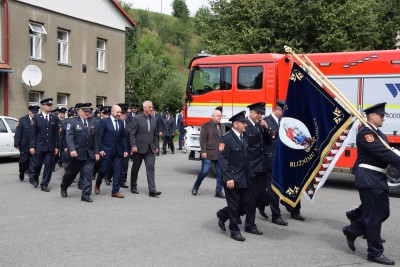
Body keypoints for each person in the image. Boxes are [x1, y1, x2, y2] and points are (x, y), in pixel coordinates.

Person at [342, 102, 400, 265]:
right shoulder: (366, 133)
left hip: (378, 178)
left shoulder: (378, 132)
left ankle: (351, 230)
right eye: (381, 116)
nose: (383, 119)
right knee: (373, 217)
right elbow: (382, 153)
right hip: (368, 178)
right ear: (372, 116)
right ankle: (374, 252)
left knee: (383, 213)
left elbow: (389, 150)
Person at [216, 111, 250, 242]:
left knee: (245, 203)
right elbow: (222, 159)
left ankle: (223, 214)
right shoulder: (226, 138)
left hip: (244, 177)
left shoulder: (244, 137)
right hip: (232, 178)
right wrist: (228, 177)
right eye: (243, 122)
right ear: (235, 124)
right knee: (234, 205)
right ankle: (234, 230)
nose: (245, 125)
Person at [242, 102, 272, 234]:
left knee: (261, 194)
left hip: (261, 166)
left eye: (261, 113)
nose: (260, 116)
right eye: (258, 113)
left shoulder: (260, 126)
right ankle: (250, 225)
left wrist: (266, 128)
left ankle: (226, 213)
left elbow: (268, 142)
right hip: (250, 167)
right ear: (251, 113)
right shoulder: (245, 126)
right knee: (252, 197)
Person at [60, 103, 99, 202]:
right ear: (79, 111)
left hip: (89, 153)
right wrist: (72, 149)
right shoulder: (72, 121)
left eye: (89, 111)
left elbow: (95, 139)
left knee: (88, 175)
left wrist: (97, 152)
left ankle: (85, 195)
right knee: (71, 173)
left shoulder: (92, 122)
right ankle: (64, 186)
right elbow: (69, 137)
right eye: (85, 111)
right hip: (76, 153)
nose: (88, 113)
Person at [262, 100, 290, 225]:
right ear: (278, 110)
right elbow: (266, 142)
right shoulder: (266, 122)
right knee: (274, 188)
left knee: (276, 188)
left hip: (278, 160)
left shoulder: (280, 122)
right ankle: (276, 215)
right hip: (270, 160)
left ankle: (261, 202)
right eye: (283, 112)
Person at [95, 104, 129, 198]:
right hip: (106, 150)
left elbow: (123, 137)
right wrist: (100, 149)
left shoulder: (121, 123)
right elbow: (99, 136)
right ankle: (98, 183)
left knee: (117, 170)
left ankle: (115, 191)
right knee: (104, 169)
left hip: (118, 150)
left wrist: (125, 149)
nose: (119, 114)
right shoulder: (104, 121)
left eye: (120, 112)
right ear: (112, 111)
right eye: (117, 112)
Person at [192, 108, 226, 198]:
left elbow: (223, 139)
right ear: (212, 116)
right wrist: (203, 152)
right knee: (204, 171)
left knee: (220, 173)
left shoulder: (222, 126)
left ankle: (218, 191)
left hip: (220, 154)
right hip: (208, 153)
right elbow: (202, 140)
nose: (220, 117)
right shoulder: (206, 126)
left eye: (220, 116)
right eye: (218, 116)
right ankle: (196, 186)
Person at [129, 100, 161, 197]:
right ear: (144, 108)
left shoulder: (155, 119)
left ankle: (152, 190)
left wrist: (156, 146)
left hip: (150, 149)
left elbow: (156, 135)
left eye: (152, 107)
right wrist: (133, 145)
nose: (152, 109)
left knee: (150, 168)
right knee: (136, 168)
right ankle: (133, 186)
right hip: (138, 148)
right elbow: (132, 133)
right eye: (150, 107)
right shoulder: (137, 119)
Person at [29, 98, 59, 192]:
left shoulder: (54, 118)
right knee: (37, 165)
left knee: (48, 166)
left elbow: (56, 134)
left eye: (50, 105)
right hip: (39, 146)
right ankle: (35, 177)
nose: (49, 107)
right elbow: (33, 133)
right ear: (42, 106)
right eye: (47, 105)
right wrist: (32, 146)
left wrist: (56, 146)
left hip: (50, 147)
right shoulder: (36, 118)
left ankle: (44, 184)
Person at [14, 105, 39, 182]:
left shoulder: (38, 120)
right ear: (29, 112)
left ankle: (32, 177)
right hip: (24, 144)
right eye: (33, 113)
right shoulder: (22, 120)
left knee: (33, 161)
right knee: (23, 160)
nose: (34, 114)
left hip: (34, 144)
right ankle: (21, 172)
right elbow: (18, 133)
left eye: (36, 113)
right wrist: (17, 144)